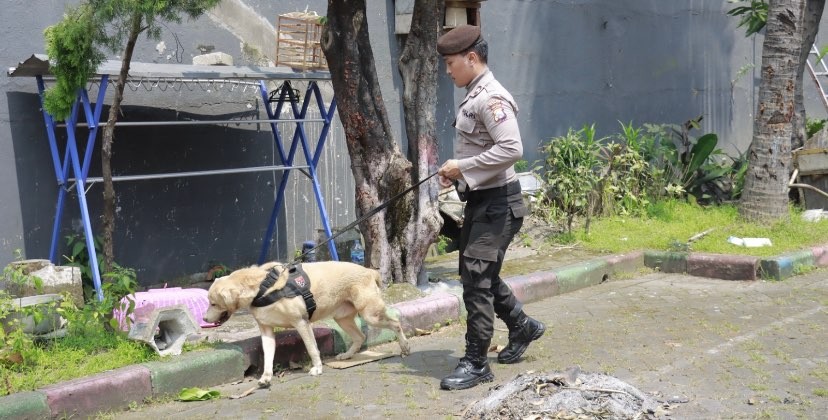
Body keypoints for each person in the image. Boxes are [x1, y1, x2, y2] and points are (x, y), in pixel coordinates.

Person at [436, 24, 546, 391]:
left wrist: (462, 166)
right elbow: (483, 149)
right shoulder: (473, 93)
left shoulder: (491, 97)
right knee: (477, 273)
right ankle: (521, 326)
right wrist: (460, 174)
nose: (448, 70)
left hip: (499, 203)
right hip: (484, 200)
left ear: (472, 58)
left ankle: (476, 362)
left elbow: (512, 149)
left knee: (476, 280)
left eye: (452, 63)